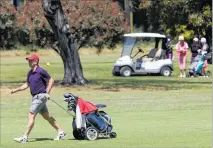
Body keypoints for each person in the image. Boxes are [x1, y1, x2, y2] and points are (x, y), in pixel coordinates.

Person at [11, 54, 66, 143]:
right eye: (28, 60)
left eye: (30, 60)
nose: (28, 61)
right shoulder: (30, 73)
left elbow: (51, 80)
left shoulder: (41, 71)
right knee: (47, 116)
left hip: (40, 97)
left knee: (31, 115)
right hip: (35, 97)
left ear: (36, 61)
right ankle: (61, 132)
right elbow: (26, 85)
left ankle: (25, 137)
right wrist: (15, 90)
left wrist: (47, 92)